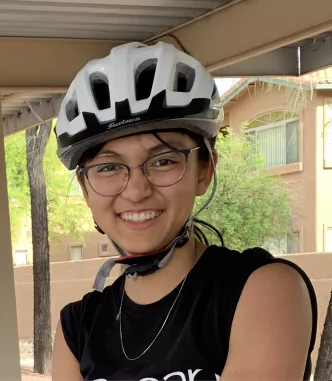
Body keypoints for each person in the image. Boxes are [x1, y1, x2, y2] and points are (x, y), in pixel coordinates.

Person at [51, 41, 317, 381]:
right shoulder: (78, 327)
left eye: (163, 161)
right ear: (86, 189)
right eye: (108, 167)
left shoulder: (259, 290)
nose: (135, 191)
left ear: (204, 171)